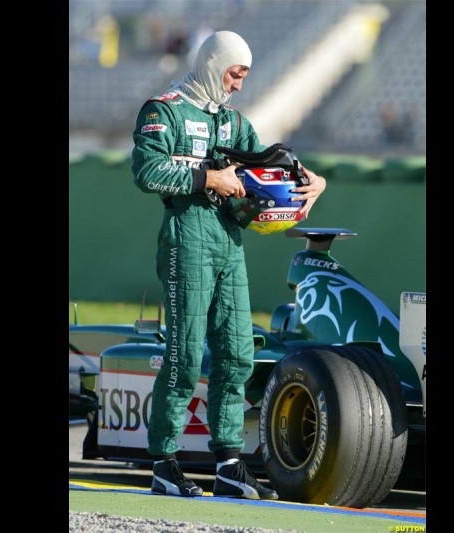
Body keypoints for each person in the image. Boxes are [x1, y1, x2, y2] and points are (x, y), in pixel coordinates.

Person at [131, 30, 327, 500]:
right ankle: (164, 462)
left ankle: (229, 462)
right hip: (186, 235)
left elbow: (265, 170)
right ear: (214, 63)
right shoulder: (164, 110)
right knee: (182, 353)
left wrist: (309, 182)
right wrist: (209, 177)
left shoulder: (233, 123)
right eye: (235, 73)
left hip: (229, 240)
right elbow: (146, 171)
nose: (239, 85)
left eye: (243, 76)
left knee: (238, 353)